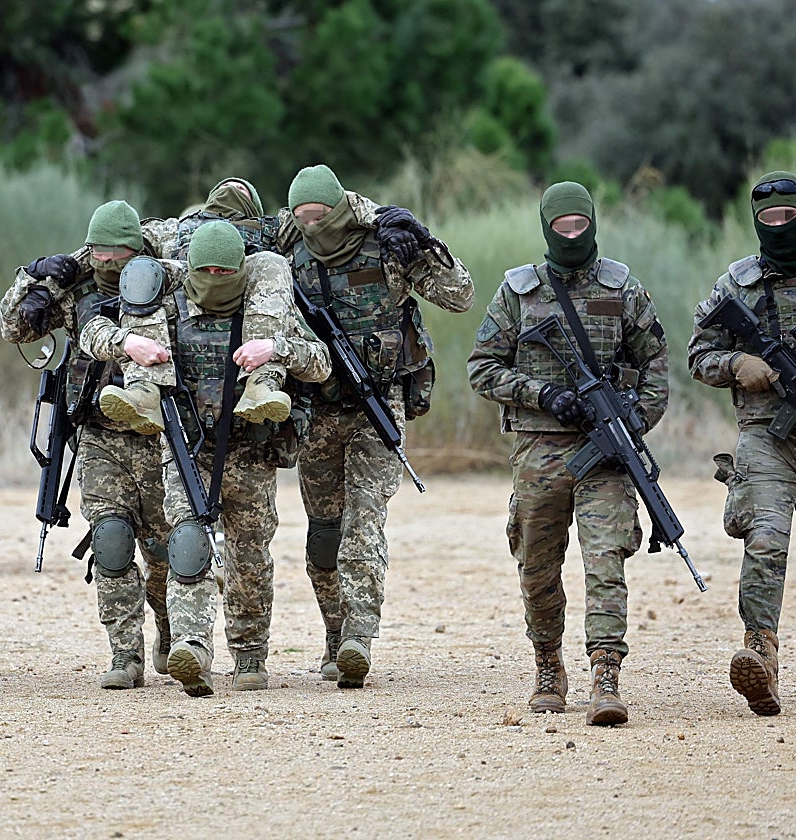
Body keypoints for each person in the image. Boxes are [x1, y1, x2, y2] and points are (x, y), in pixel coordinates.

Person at [94, 220, 331, 695]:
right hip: (187, 447)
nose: (215, 278)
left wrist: (275, 346)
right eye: (207, 270)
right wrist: (127, 343)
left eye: (227, 270)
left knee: (248, 556)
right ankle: (192, 647)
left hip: (250, 450)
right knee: (187, 544)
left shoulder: (264, 305)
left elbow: (319, 361)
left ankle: (249, 655)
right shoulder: (163, 301)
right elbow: (93, 329)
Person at [467, 181, 668, 726]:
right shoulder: (518, 292)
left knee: (606, 562)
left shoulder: (622, 288)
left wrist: (630, 424)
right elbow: (482, 367)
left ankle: (606, 675)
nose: (573, 235)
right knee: (537, 565)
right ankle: (548, 666)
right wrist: (543, 395)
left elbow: (656, 369)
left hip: (605, 456)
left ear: (593, 223)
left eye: (581, 225)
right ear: (547, 227)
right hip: (539, 450)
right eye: (563, 227)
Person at [282, 164, 474, 688]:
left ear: (340, 207)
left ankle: (357, 641)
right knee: (323, 536)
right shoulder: (286, 250)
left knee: (362, 528)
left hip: (378, 404)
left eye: (321, 215)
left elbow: (461, 295)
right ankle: (333, 633)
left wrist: (424, 244)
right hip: (316, 408)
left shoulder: (384, 244)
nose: (312, 225)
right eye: (302, 217)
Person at [689, 170, 796, 715]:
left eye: (787, 216)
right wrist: (737, 363)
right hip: (767, 435)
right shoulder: (736, 283)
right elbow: (699, 355)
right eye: (767, 220)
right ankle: (761, 653)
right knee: (765, 539)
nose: (779, 227)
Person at [0, 199, 175, 691]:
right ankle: (125, 655)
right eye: (96, 252)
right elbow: (14, 326)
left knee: (165, 550)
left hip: (159, 433)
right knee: (111, 540)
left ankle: (169, 626)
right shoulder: (73, 284)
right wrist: (31, 278)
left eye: (115, 255)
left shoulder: (163, 274)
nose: (105, 264)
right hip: (98, 433)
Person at [143, 176, 279, 260]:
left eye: (240, 189)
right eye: (225, 187)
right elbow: (139, 238)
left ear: (253, 204)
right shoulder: (177, 225)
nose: (230, 190)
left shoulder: (269, 228)